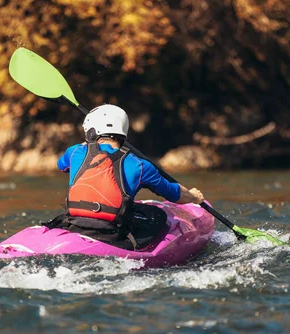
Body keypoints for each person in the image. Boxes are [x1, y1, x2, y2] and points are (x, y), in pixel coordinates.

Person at [49, 104, 205, 250]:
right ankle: (140, 248)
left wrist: (87, 145)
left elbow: (61, 166)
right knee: (159, 214)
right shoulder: (141, 165)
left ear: (90, 132)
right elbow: (174, 194)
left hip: (75, 224)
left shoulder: (74, 152)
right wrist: (193, 197)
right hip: (113, 233)